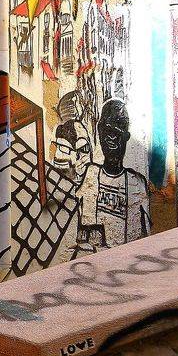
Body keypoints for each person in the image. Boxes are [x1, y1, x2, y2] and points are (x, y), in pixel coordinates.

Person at [75, 99, 150, 253]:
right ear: (100, 134)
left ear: (126, 136)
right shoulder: (90, 175)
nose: (111, 139)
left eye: (117, 134)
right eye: (107, 133)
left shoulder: (136, 182)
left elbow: (145, 236)